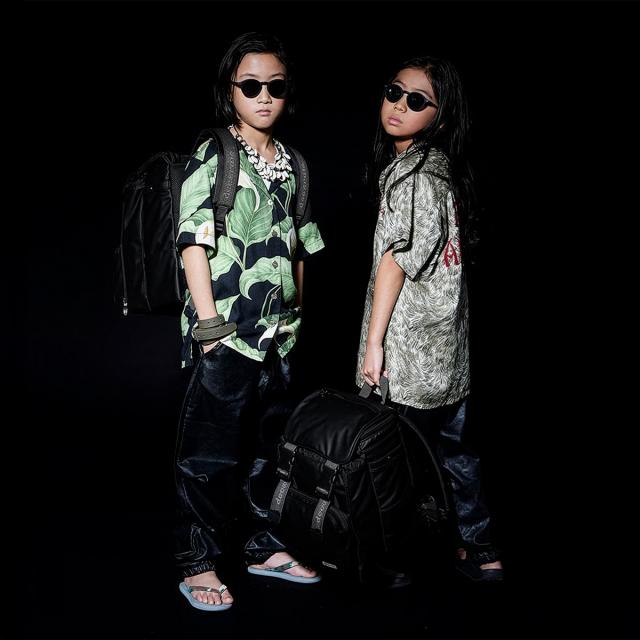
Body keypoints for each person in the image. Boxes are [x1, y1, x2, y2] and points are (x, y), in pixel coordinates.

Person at [174, 32, 325, 611]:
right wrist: (209, 325)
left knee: (271, 451)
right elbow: (192, 241)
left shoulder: (295, 164)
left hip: (278, 337)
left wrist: (297, 318)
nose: (264, 96)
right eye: (251, 85)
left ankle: (264, 548)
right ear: (230, 91)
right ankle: (199, 561)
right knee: (209, 454)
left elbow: (301, 245)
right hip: (227, 334)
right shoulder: (215, 154)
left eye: (275, 86)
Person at [356, 56, 504, 582]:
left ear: (439, 118)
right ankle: (482, 550)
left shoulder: (415, 177)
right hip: (447, 349)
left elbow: (395, 262)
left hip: (409, 347)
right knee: (455, 451)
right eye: (394, 91)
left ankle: (397, 562)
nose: (399, 105)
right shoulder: (441, 170)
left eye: (417, 100)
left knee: (393, 458)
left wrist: (374, 344)